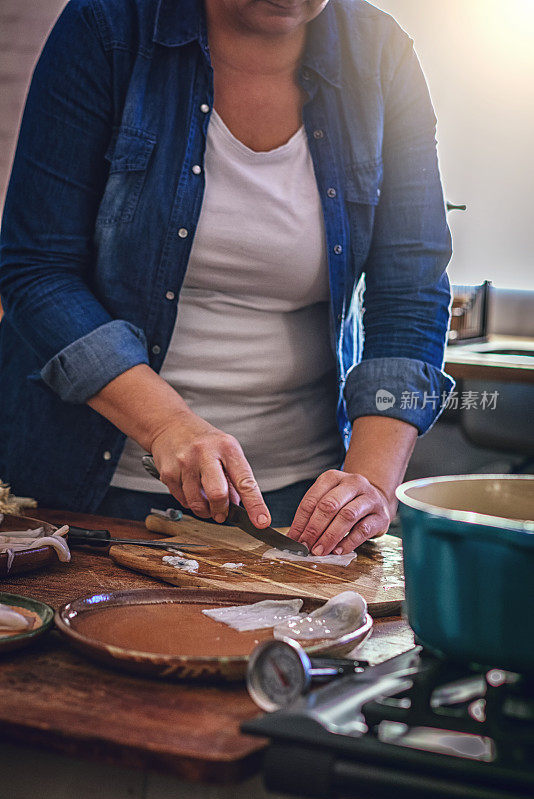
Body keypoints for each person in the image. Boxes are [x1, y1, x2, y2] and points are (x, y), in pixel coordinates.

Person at [0, 0, 454, 556]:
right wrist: (168, 426)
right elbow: (37, 269)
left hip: (296, 503)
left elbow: (411, 291)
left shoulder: (383, 55)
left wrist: (369, 485)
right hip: (86, 492)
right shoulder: (108, 26)